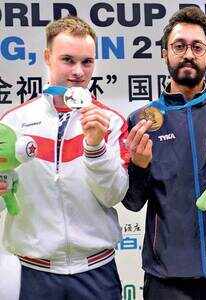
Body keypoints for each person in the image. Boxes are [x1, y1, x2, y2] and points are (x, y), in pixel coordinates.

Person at [123, 6, 206, 300]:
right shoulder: (141, 121)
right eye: (179, 46)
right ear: (164, 53)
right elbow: (132, 202)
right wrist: (140, 166)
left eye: (197, 47)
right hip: (167, 278)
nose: (188, 54)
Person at [0, 16, 128, 299]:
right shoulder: (13, 123)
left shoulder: (111, 121)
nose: (78, 72)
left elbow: (113, 195)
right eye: (68, 60)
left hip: (97, 272)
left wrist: (95, 147)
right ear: (47, 57)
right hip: (32, 274)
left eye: (87, 62)